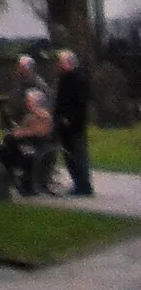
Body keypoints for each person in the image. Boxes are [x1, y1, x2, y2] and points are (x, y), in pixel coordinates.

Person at [0, 61, 57, 198]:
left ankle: (28, 185)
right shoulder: (29, 116)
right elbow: (22, 129)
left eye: (29, 101)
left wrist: (19, 133)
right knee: (4, 150)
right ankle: (10, 180)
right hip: (26, 144)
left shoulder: (43, 116)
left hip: (38, 146)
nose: (27, 103)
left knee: (24, 154)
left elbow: (39, 132)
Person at [54, 48, 94, 196]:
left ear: (69, 63)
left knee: (79, 155)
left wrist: (69, 117)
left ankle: (84, 185)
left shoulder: (79, 79)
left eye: (61, 62)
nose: (58, 64)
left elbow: (79, 103)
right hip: (64, 124)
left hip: (75, 124)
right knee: (69, 157)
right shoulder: (63, 78)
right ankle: (77, 183)